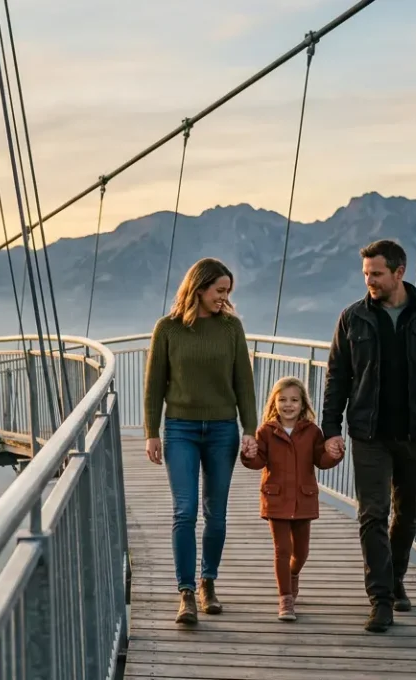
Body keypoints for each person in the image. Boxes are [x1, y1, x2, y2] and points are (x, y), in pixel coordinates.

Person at [321, 239, 416, 633]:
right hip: (369, 432)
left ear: (399, 272)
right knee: (372, 513)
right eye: (366, 273)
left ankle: (396, 576)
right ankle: (381, 599)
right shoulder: (352, 318)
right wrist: (330, 430)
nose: (369, 280)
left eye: (377, 274)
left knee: (408, 513)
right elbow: (337, 378)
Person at [143, 257, 259, 625]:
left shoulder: (231, 328)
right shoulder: (168, 329)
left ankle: (209, 583)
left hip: (223, 429)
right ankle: (186, 592)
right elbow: (153, 386)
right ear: (199, 288)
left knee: (216, 514)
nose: (224, 298)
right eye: (219, 290)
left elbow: (244, 383)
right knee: (185, 510)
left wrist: (250, 430)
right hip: (180, 429)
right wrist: (150, 432)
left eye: (228, 292)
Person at [241, 375, 343, 621]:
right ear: (274, 403)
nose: (288, 405)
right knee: (282, 549)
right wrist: (248, 454)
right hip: (276, 499)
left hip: (303, 499)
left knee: (302, 552)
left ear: (303, 404)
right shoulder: (265, 431)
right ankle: (285, 598)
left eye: (294, 400)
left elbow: (321, 460)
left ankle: (293, 574)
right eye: (283, 400)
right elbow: (258, 462)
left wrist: (334, 454)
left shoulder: (312, 431)